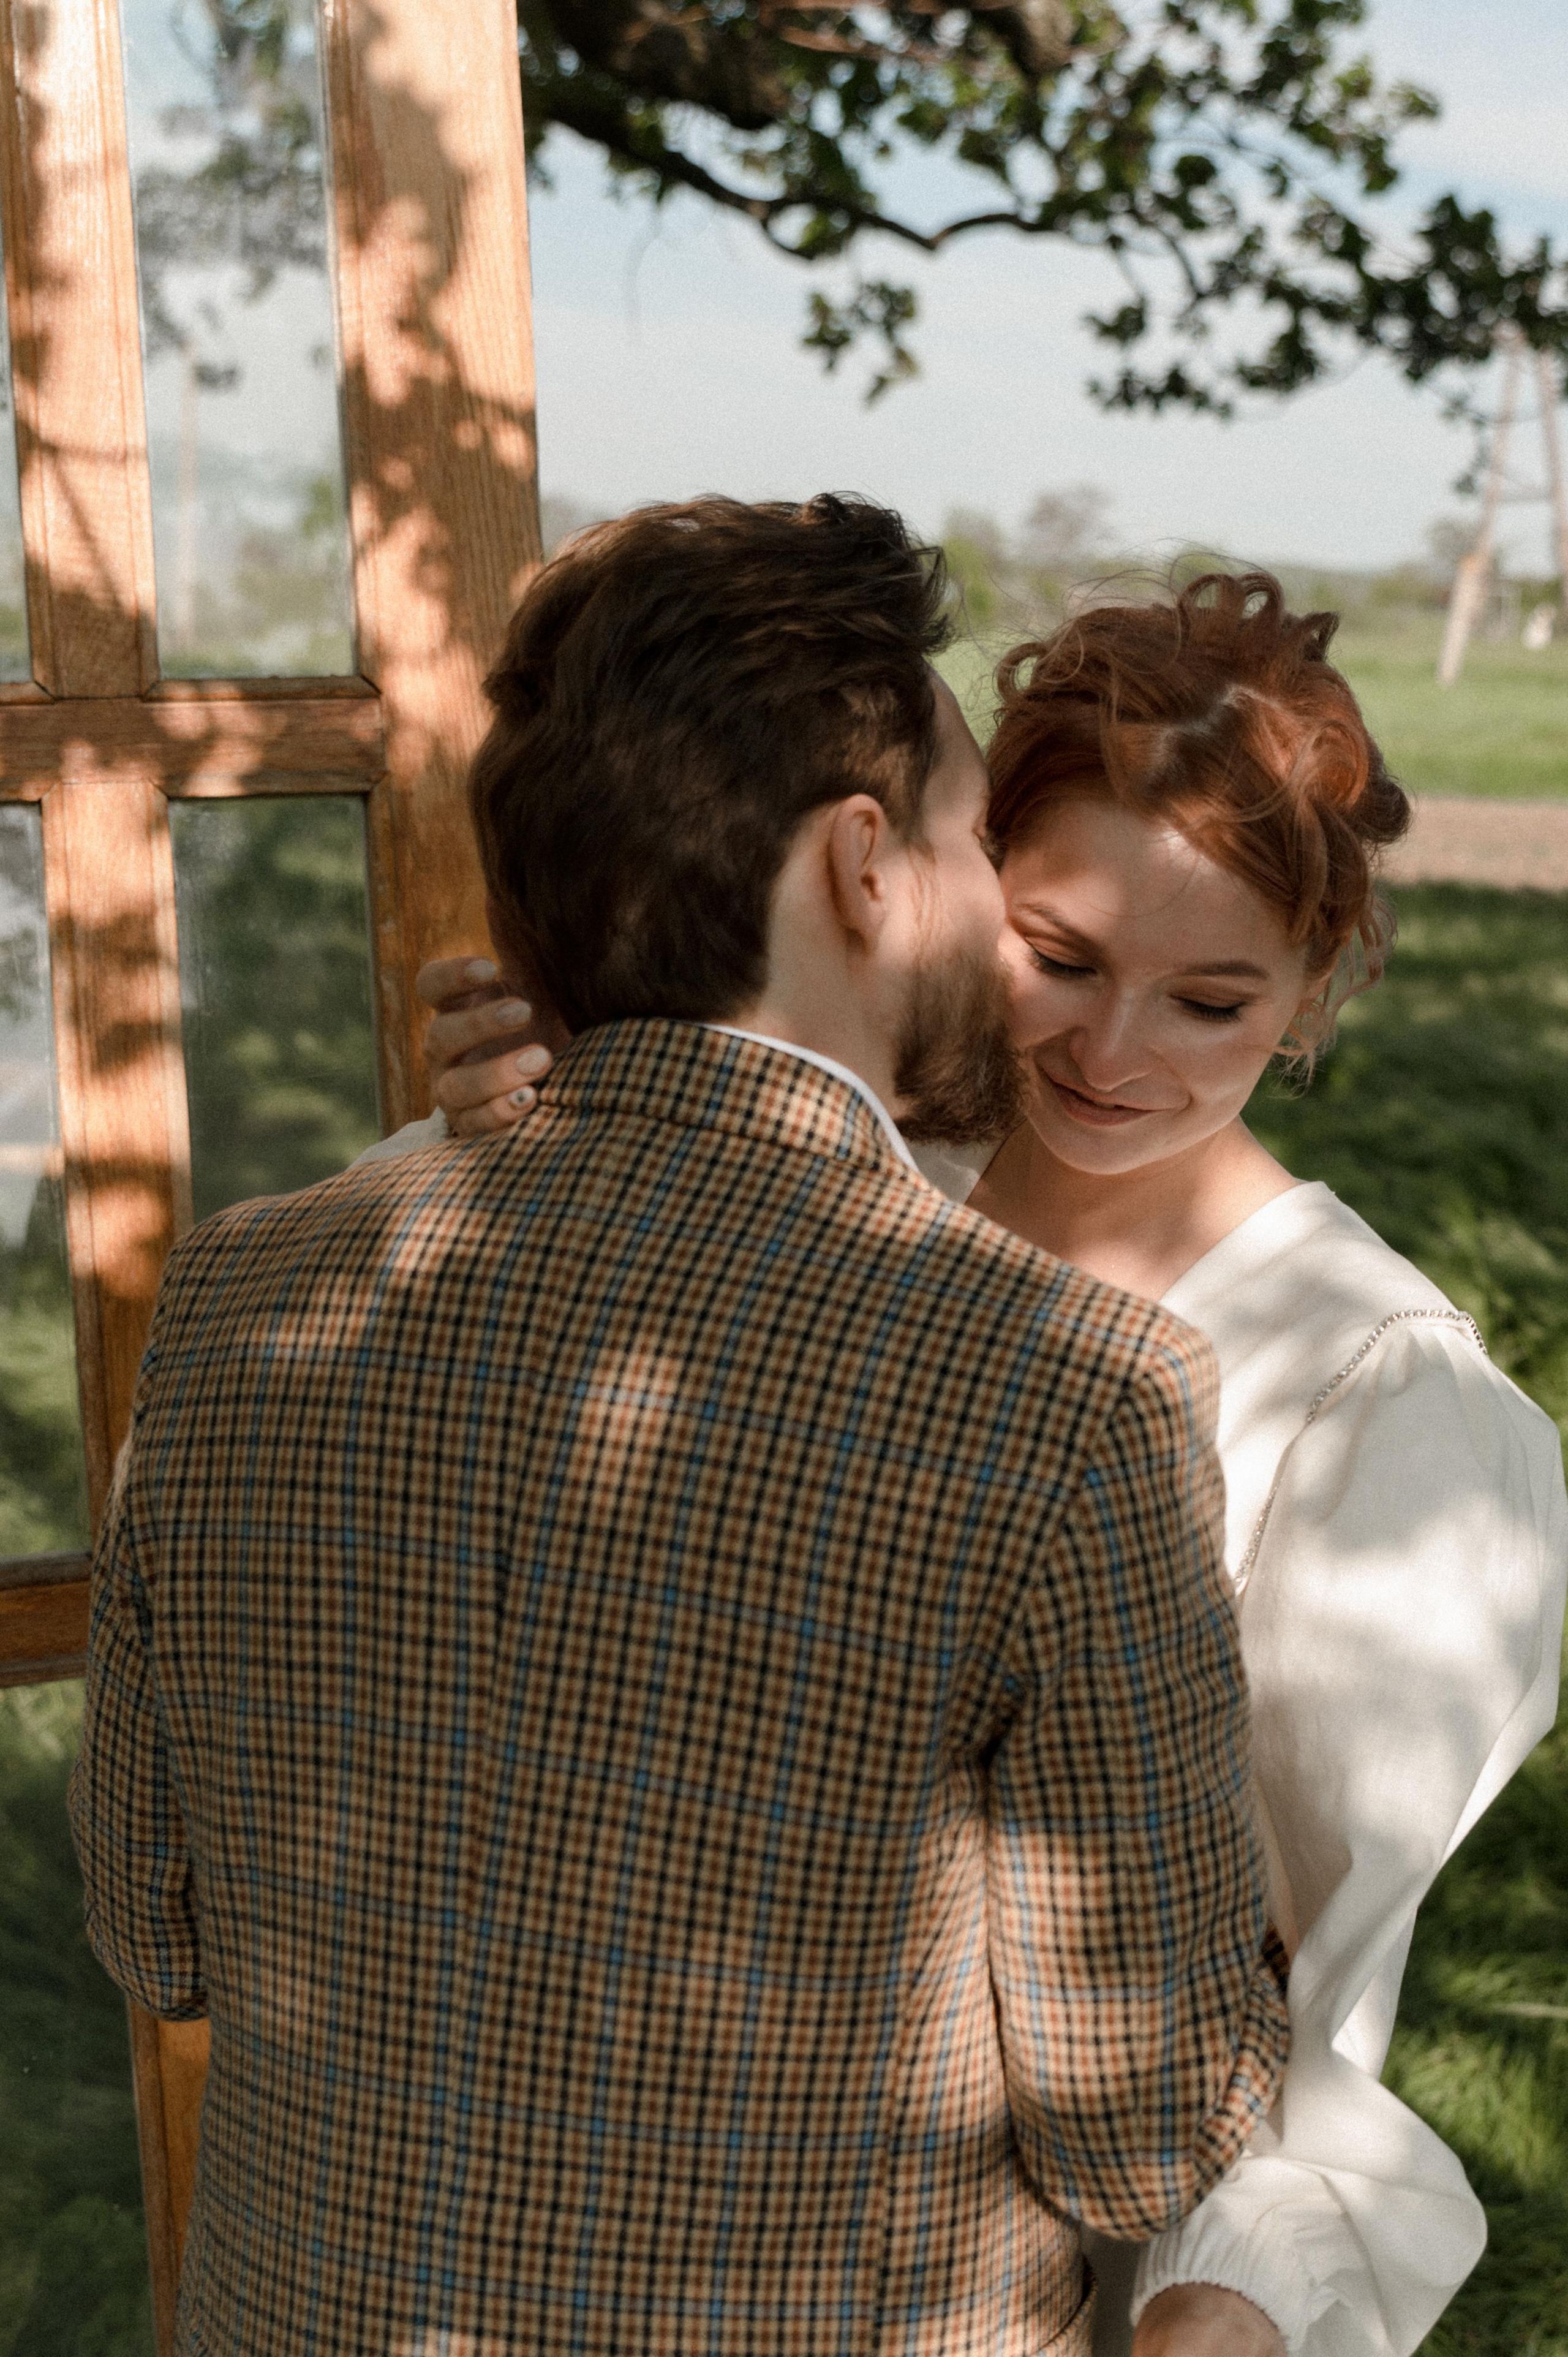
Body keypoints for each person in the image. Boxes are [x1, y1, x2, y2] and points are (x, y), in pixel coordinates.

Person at [69, 498, 1291, 2357]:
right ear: (864, 866)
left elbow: (154, 1930)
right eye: (977, 845)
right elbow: (1141, 2133)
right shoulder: (1070, 1393)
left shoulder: (242, 1300)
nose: (1000, 921)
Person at [412, 567, 1568, 2357]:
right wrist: (516, 1157)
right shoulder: (838, 1198)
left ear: (1314, 987)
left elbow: (1292, 2011)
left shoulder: (1385, 1421)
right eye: (1063, 957)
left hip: (1022, 2272)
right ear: (951, 891)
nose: (1111, 1055)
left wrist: (1214, 2313)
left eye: (1211, 1001)